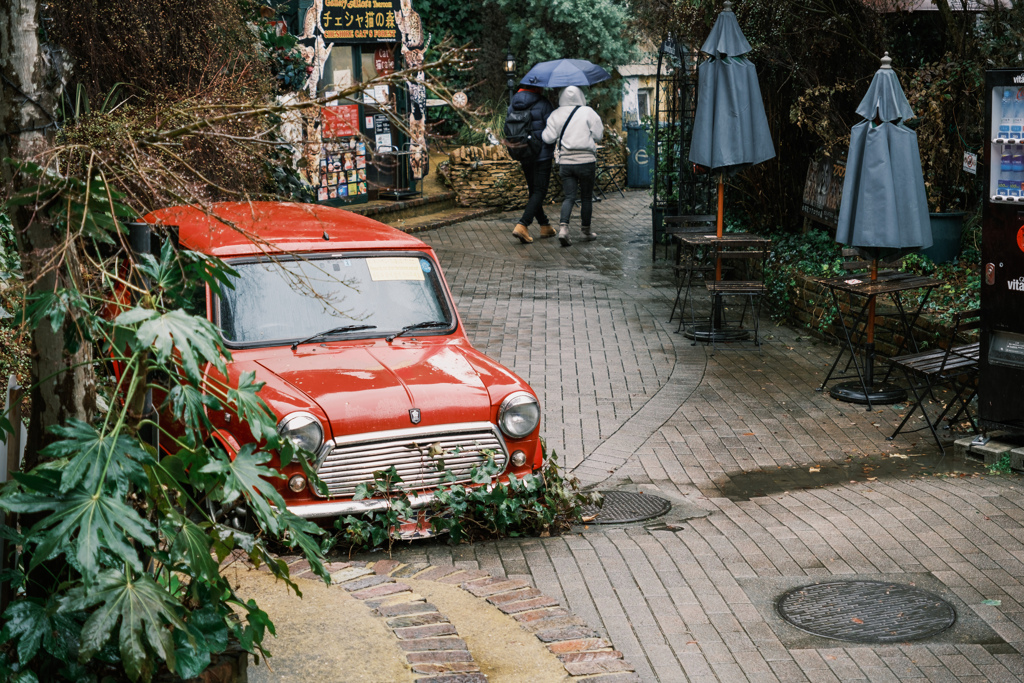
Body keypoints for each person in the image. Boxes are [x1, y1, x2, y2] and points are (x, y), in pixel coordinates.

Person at [541, 85, 604, 247]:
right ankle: (585, 231)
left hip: (566, 163)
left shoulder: (556, 114)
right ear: (580, 95)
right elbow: (599, 135)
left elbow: (547, 138)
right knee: (586, 197)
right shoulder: (588, 112)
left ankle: (563, 229)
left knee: (569, 197)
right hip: (586, 162)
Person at [508, 86, 556, 244]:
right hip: (542, 154)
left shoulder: (513, 104)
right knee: (540, 191)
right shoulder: (544, 103)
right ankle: (523, 224)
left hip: (524, 152)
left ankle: (545, 225)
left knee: (534, 191)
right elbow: (552, 129)